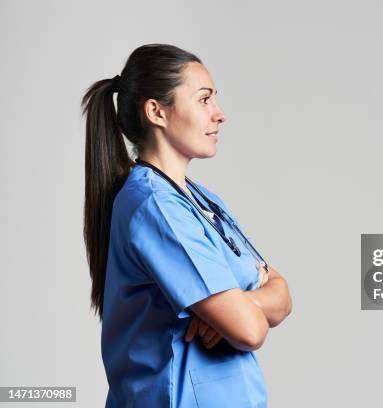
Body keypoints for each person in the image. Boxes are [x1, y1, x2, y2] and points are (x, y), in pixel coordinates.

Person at [80, 43, 292, 408]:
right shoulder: (154, 206)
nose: (219, 114)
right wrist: (245, 309)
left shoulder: (200, 199)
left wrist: (242, 302)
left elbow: (283, 295)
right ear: (156, 112)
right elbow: (251, 329)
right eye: (204, 99)